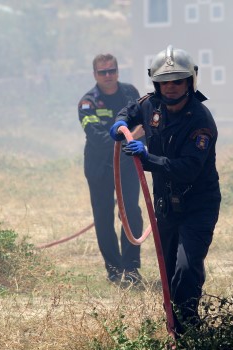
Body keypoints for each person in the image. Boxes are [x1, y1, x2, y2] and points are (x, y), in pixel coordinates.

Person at [109, 45, 221, 336]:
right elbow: (133, 109)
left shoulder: (200, 120)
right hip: (165, 206)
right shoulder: (151, 105)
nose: (170, 88)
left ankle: (189, 331)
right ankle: (175, 329)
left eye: (178, 81)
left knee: (186, 268)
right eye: (165, 82)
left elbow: (188, 169)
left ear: (190, 82)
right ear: (156, 83)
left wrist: (148, 158)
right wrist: (121, 121)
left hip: (197, 206)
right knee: (170, 273)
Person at [77, 53, 144, 285]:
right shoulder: (88, 102)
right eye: (103, 72)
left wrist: (134, 137)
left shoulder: (130, 93)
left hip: (127, 163)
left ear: (118, 71)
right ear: (95, 75)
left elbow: (143, 122)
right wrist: (130, 137)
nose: (108, 76)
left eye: (112, 71)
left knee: (131, 213)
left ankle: (132, 269)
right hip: (99, 166)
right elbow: (96, 137)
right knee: (104, 217)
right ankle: (115, 271)